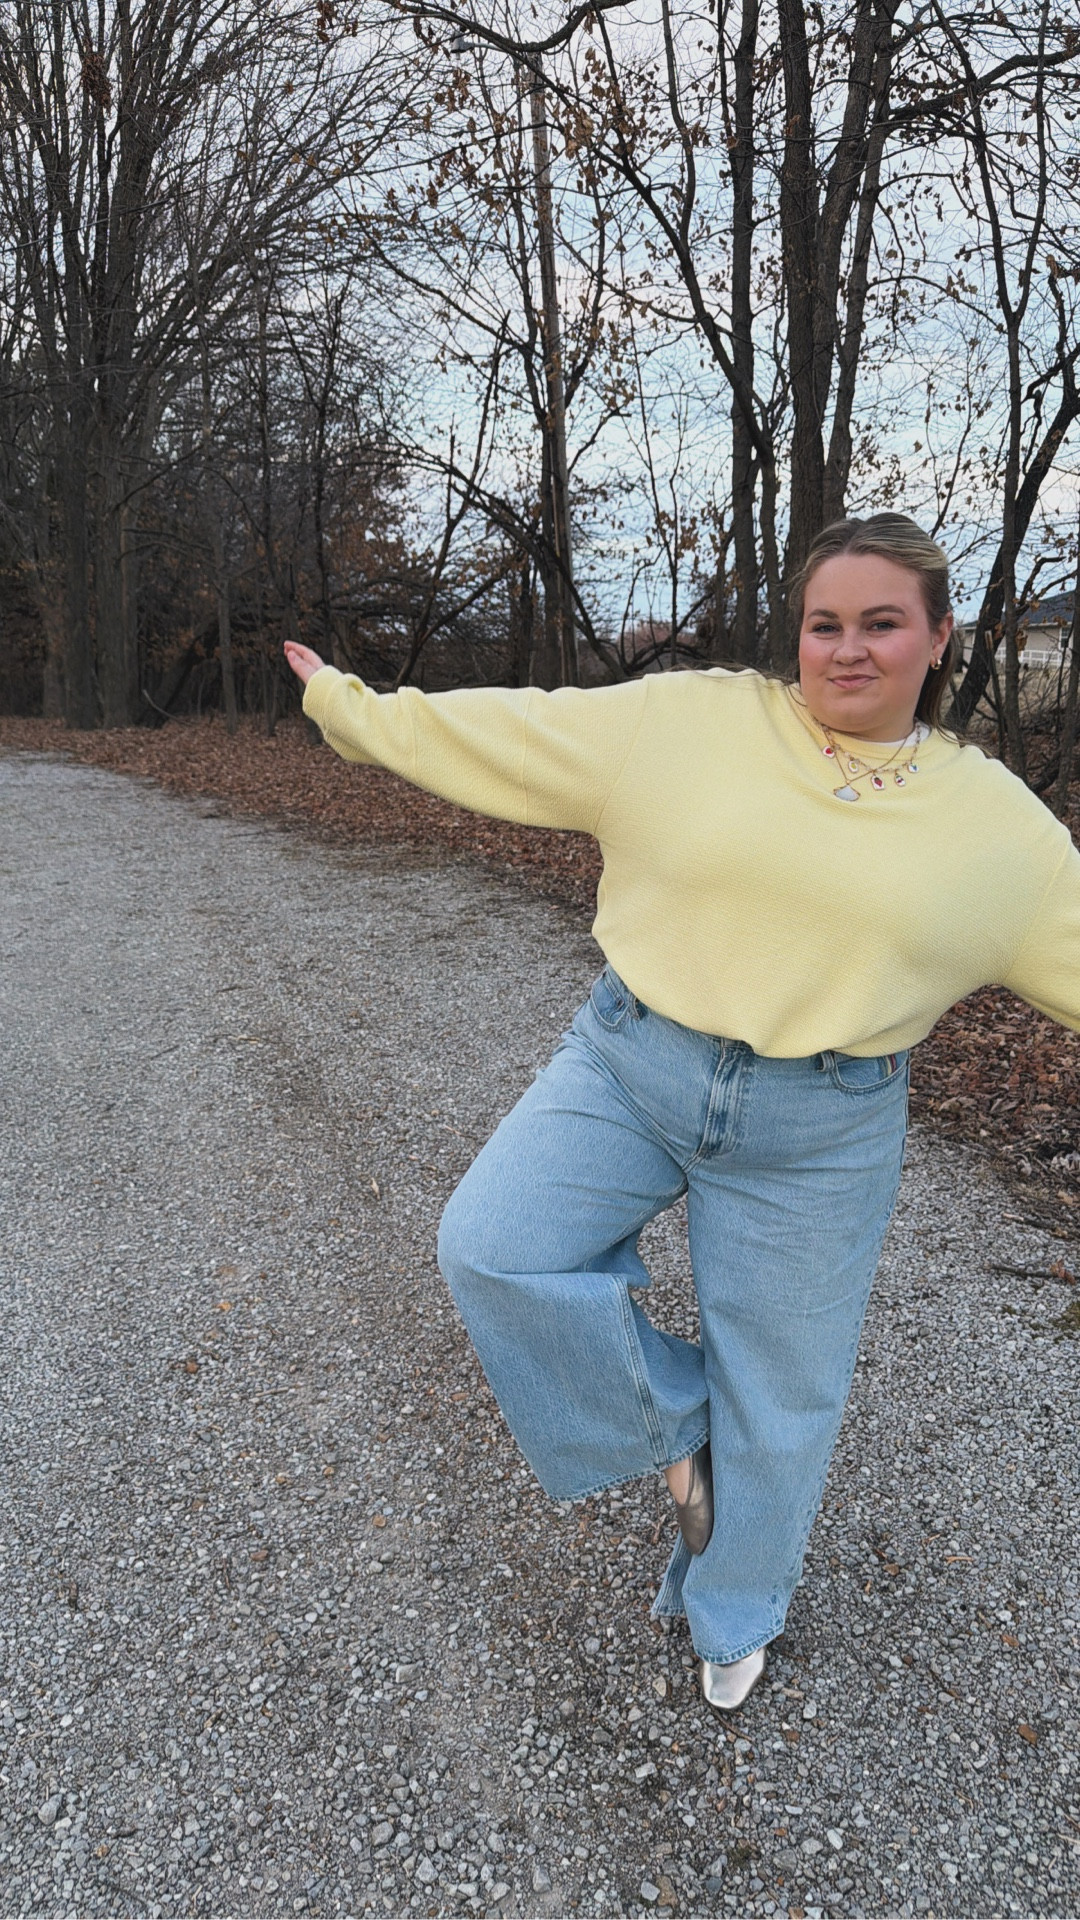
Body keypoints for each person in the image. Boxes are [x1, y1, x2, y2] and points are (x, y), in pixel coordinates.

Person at [284, 513, 1080, 1713]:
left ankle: (734, 1607)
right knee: (493, 1248)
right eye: (824, 623)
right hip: (630, 1064)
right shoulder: (697, 720)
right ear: (797, 634)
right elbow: (519, 729)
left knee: (787, 1387)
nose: (846, 649)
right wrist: (359, 711)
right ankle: (681, 1425)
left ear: (939, 636)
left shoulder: (1001, 833)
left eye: (880, 624)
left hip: (821, 1130)